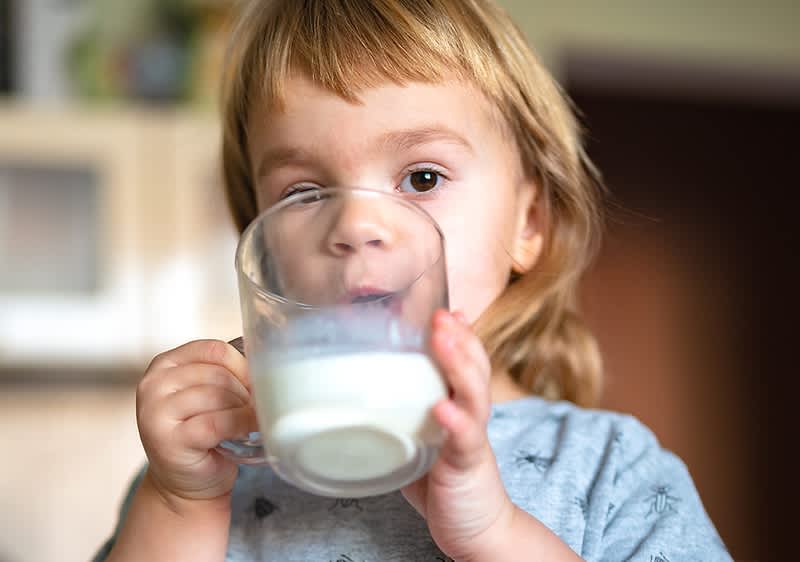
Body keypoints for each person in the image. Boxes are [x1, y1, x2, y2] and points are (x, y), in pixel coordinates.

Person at [95, 1, 732, 560]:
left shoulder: (608, 469)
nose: (356, 225)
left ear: (528, 223)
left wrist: (494, 533)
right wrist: (180, 507)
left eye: (422, 177)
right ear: (263, 246)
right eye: (306, 192)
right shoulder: (202, 472)